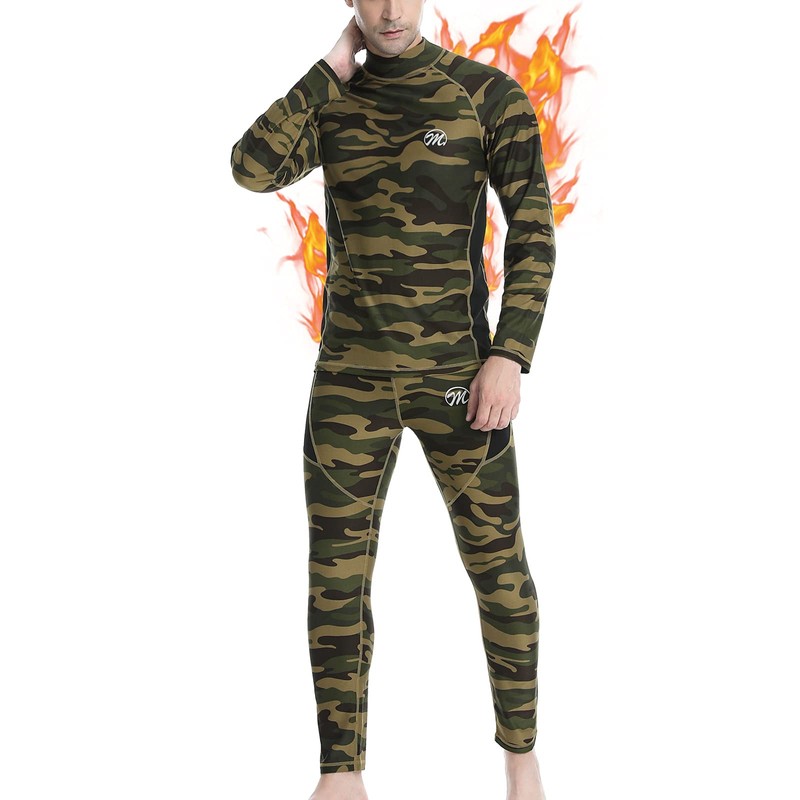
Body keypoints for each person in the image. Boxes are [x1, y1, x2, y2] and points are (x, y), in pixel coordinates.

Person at [230, 1, 555, 797]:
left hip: (461, 380)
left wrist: (510, 353)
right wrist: (327, 70)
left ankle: (522, 759)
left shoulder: (486, 95)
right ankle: (341, 774)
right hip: (351, 380)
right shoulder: (332, 99)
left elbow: (533, 229)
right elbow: (250, 167)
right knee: (336, 578)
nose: (389, 9)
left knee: (499, 568)